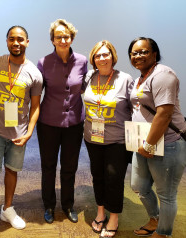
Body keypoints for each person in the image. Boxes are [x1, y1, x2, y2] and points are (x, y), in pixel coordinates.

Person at [0, 26, 43, 238]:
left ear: (27, 42)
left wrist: (30, 132)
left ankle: (7, 209)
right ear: (6, 41)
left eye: (20, 39)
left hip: (18, 133)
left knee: (12, 171)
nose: (16, 43)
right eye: (12, 39)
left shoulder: (35, 73)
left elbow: (35, 106)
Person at [128, 37, 186, 238]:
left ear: (154, 54)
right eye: (134, 53)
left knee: (167, 195)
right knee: (139, 186)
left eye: (143, 51)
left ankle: (163, 233)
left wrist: (149, 144)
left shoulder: (163, 75)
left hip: (167, 143)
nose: (138, 56)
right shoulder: (140, 78)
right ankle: (155, 219)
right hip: (143, 143)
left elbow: (165, 114)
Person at [36, 19, 87, 224]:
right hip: (48, 122)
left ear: (72, 37)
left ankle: (68, 205)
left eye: (66, 36)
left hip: (74, 124)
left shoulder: (83, 61)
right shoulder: (44, 62)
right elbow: (36, 93)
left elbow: (83, 87)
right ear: (53, 40)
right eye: (59, 37)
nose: (63, 40)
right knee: (48, 166)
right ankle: (48, 205)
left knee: (69, 167)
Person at [83, 40, 133, 238]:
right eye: (98, 55)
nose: (102, 58)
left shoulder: (125, 79)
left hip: (117, 140)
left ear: (113, 56)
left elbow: (134, 107)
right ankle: (101, 212)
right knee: (98, 175)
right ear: (93, 59)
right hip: (92, 137)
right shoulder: (89, 76)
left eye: (106, 54)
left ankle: (114, 217)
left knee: (114, 178)